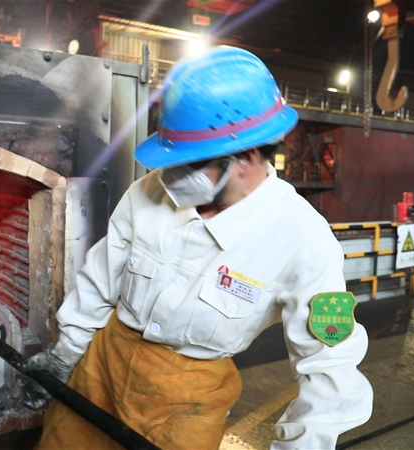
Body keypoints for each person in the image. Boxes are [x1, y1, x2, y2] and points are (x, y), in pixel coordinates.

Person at [22, 46, 373, 449]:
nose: (170, 177)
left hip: (185, 406)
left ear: (245, 157)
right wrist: (64, 354)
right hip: (101, 369)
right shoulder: (148, 194)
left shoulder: (302, 240)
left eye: (190, 164)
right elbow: (100, 280)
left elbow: (329, 369)